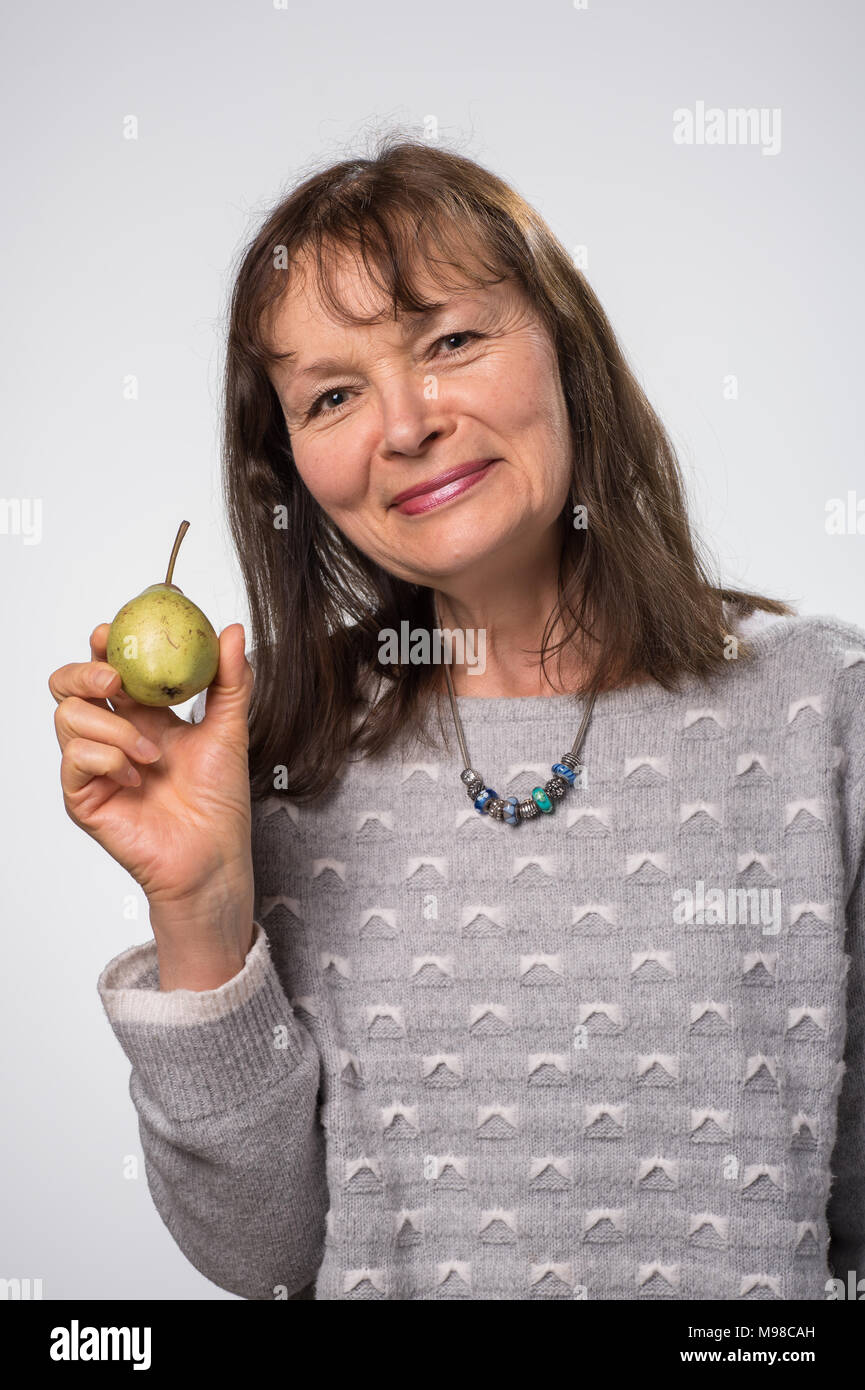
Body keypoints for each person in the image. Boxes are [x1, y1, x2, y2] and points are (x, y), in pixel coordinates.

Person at [49, 136, 865, 1302]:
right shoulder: (275, 757)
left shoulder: (824, 711)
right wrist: (198, 910)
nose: (404, 423)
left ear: (564, 349)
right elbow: (268, 1259)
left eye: (449, 341)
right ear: (291, 467)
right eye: (332, 394)